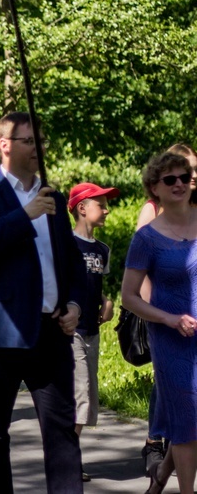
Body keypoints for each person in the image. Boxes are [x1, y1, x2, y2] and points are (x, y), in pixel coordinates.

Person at [0, 112, 86, 493]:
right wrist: (24, 215)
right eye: (29, 141)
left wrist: (76, 305)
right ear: (5, 145)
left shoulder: (53, 198)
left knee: (62, 430)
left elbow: (72, 262)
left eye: (39, 141)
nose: (37, 148)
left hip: (50, 329)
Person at [121, 151, 197, 494]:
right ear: (155, 187)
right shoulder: (147, 238)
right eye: (170, 179)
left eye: (184, 176)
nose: (180, 183)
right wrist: (168, 318)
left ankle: (158, 483)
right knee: (184, 421)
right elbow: (130, 297)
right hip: (171, 339)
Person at [67, 182, 118, 482]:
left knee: (88, 396)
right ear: (82, 208)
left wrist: (106, 301)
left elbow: (91, 282)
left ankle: (66, 452)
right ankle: (69, 458)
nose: (107, 209)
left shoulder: (102, 250)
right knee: (81, 394)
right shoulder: (67, 244)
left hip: (92, 331)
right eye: (101, 203)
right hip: (69, 331)